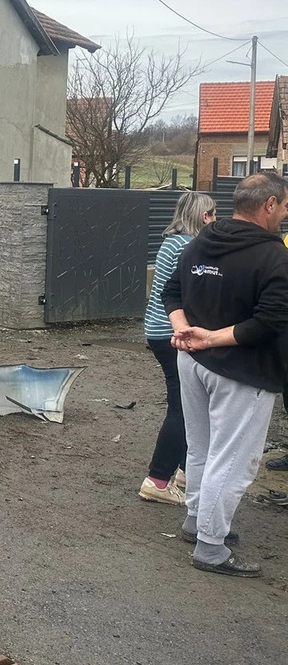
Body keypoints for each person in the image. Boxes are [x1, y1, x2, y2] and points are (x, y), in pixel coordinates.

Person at [162, 171, 288, 578]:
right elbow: (268, 322)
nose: (285, 215)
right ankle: (211, 548)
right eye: (284, 206)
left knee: (201, 449)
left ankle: (197, 521)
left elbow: (171, 292)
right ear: (269, 205)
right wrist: (208, 338)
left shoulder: (201, 240)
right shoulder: (274, 257)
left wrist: (184, 330)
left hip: (193, 360)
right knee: (233, 461)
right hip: (240, 370)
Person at [138, 192, 216, 505]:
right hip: (173, 333)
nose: (214, 219)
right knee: (182, 409)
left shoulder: (171, 241)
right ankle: (157, 481)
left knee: (185, 403)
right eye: (210, 214)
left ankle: (185, 471)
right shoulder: (189, 246)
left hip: (156, 329)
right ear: (199, 216)